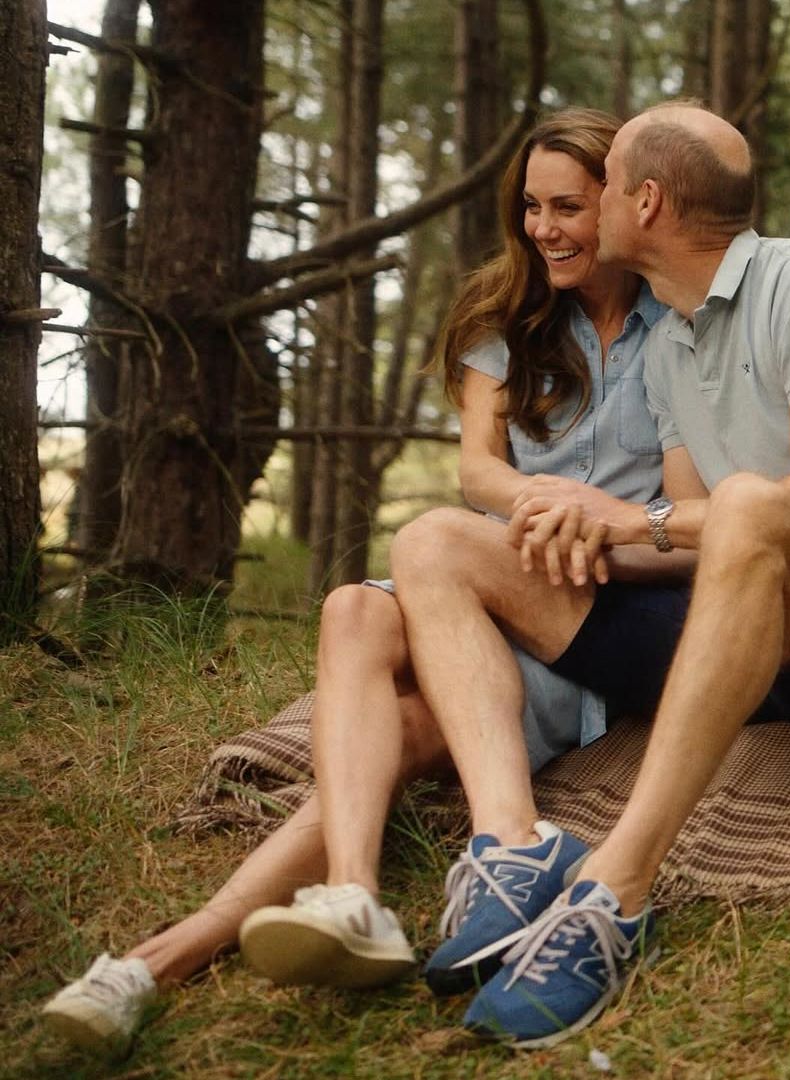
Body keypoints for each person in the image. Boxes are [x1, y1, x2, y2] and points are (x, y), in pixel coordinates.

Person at [40, 107, 699, 1055]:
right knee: (352, 604)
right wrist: (547, 505)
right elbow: (479, 472)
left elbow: (681, 515)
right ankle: (353, 895)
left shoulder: (675, 330)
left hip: (581, 617)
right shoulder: (506, 322)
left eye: (568, 207)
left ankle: (163, 958)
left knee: (385, 734)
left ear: (623, 206)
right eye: (530, 208)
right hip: (469, 582)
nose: (544, 229)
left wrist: (593, 533)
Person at [388, 101, 790, 1048]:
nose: (578, 209)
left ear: (645, 202)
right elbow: (681, 537)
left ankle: (615, 894)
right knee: (437, 542)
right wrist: (581, 535)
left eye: (605, 185)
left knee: (750, 503)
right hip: (726, 628)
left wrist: (636, 519)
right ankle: (515, 845)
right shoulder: (670, 342)